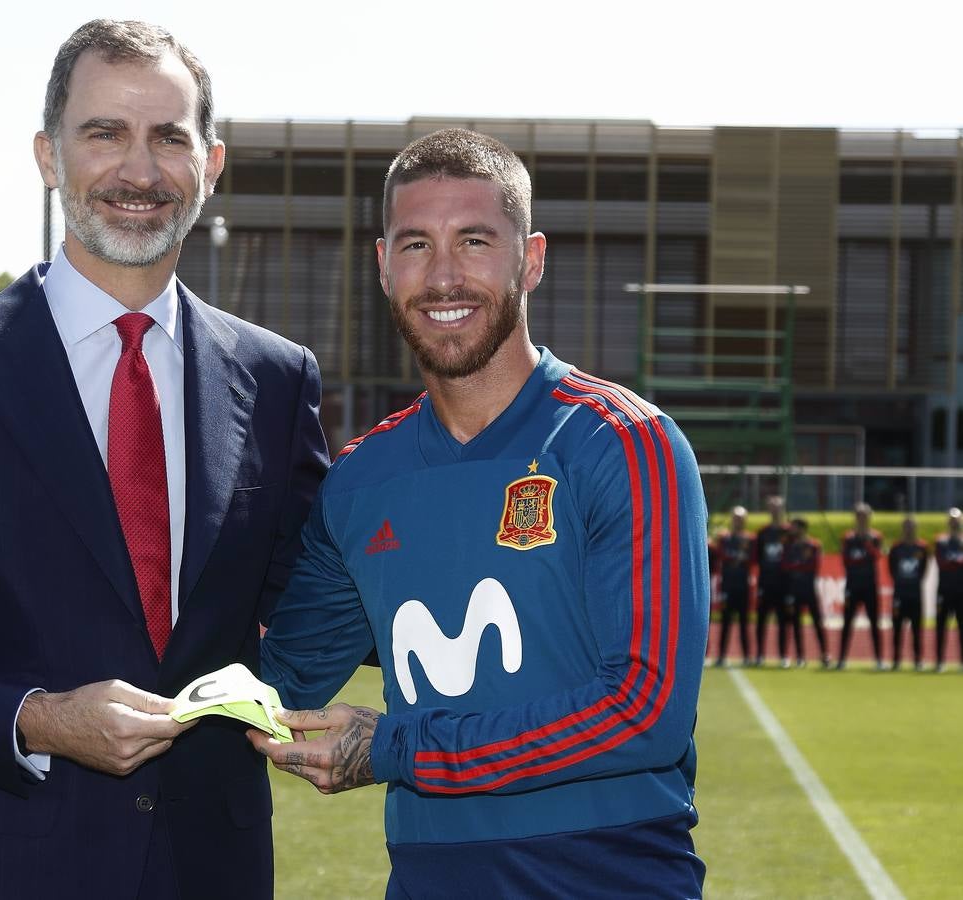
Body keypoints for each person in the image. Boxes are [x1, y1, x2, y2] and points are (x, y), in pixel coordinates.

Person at [0, 19, 328, 899]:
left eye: (168, 138)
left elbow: (318, 596)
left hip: (210, 869)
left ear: (211, 164)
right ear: (48, 155)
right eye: (104, 132)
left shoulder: (274, 378)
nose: (139, 170)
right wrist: (31, 720)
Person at [250, 129, 709, 897]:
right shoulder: (360, 481)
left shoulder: (624, 443)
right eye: (416, 245)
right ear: (382, 266)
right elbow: (278, 680)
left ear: (530, 258)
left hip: (612, 876)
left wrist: (402, 750)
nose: (444, 276)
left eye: (474, 241)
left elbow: (644, 713)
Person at [838, 502, 885, 669]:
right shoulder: (848, 538)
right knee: (847, 622)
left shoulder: (875, 537)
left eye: (865, 516)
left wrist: (867, 544)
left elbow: (877, 556)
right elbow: (846, 560)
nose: (862, 519)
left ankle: (879, 659)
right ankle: (841, 659)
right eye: (859, 516)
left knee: (874, 622)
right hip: (852, 585)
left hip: (870, 586)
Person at [780, 517, 830, 668]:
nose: (790, 530)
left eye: (794, 527)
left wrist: (796, 566)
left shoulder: (813, 545)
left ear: (801, 528)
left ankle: (825, 653)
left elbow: (812, 566)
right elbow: (785, 565)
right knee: (795, 623)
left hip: (808, 588)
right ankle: (800, 656)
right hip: (794, 589)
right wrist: (798, 565)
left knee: (817, 621)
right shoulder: (788, 546)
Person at [710, 505, 755, 666]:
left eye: (741, 519)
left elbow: (752, 559)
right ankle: (721, 655)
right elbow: (721, 556)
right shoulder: (725, 539)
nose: (738, 521)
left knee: (744, 622)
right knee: (725, 622)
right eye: (736, 518)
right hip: (727, 585)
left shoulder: (750, 539)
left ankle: (747, 656)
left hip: (743, 585)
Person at [753, 495, 791, 666]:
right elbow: (757, 558)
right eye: (772, 507)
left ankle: (783, 655)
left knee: (784, 620)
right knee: (761, 620)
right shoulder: (763, 533)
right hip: (766, 582)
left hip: (783, 583)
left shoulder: (789, 532)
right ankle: (759, 654)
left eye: (778, 507)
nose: (775, 510)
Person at [888, 517, 929, 670]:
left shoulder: (922, 548)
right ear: (902, 529)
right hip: (899, 594)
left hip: (915, 594)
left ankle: (918, 659)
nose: (909, 530)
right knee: (897, 628)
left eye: (912, 527)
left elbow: (924, 570)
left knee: (917, 629)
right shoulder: (896, 548)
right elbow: (891, 569)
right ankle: (896, 659)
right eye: (907, 527)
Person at [936, 507, 963, 672]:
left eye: (957, 520)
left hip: (961, 591)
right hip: (944, 590)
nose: (954, 523)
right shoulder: (941, 542)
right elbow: (942, 563)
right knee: (941, 627)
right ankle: (940, 661)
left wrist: (953, 561)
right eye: (951, 520)